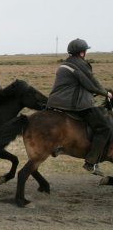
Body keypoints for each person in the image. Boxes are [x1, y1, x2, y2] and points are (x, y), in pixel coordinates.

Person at [47, 38, 113, 176]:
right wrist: (106, 93)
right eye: (85, 51)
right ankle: (91, 162)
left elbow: (80, 85)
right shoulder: (81, 64)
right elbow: (91, 83)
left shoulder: (65, 64)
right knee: (105, 126)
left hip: (55, 102)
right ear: (82, 53)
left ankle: (62, 146)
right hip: (73, 103)